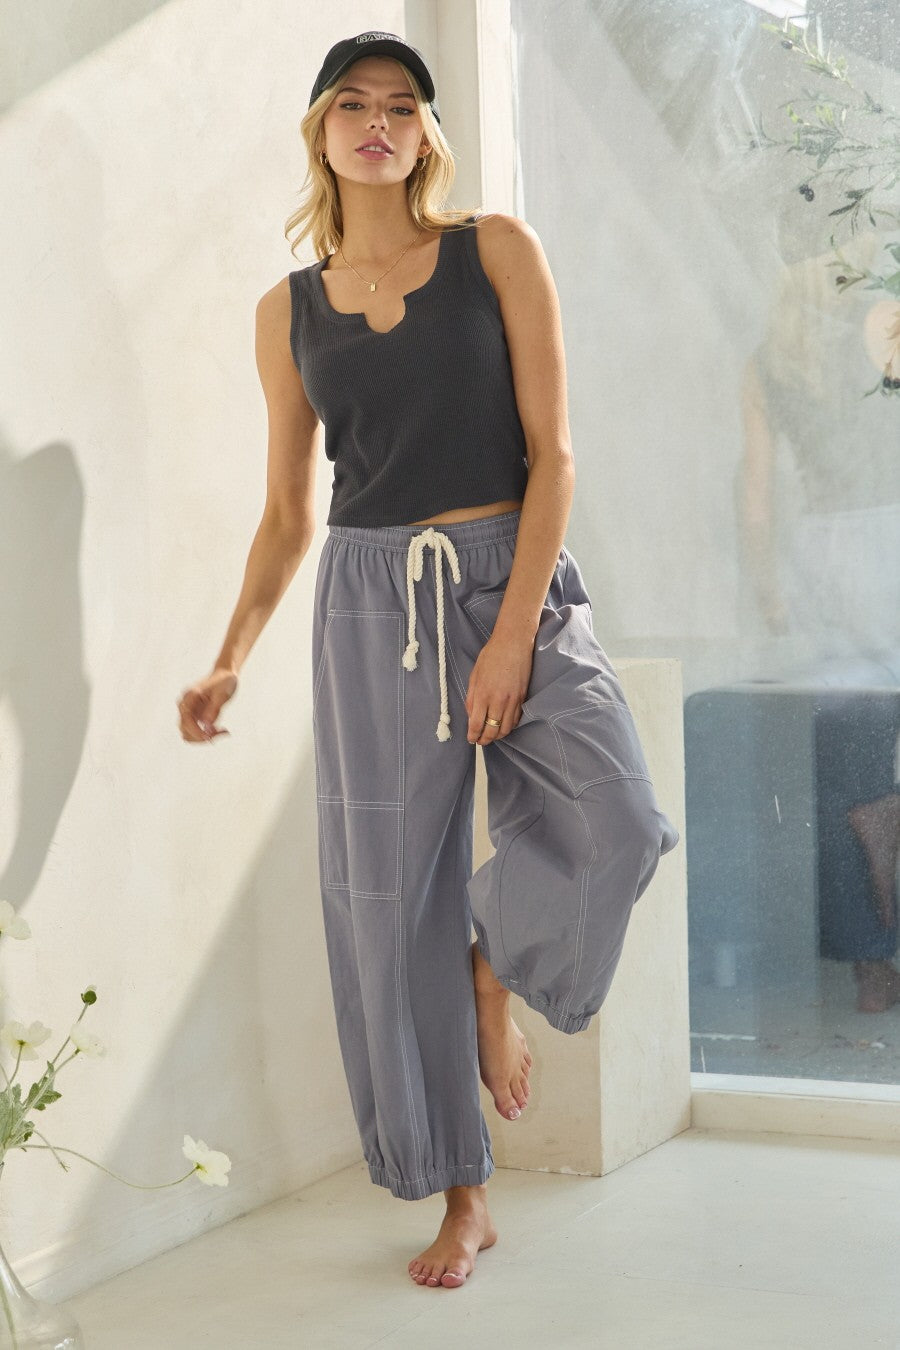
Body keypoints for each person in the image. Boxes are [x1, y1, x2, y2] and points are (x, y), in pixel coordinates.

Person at [176, 31, 679, 1290]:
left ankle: (487, 968)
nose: (378, 124)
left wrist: (511, 635)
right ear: (320, 131)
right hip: (366, 605)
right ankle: (465, 1199)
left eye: (401, 106)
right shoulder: (287, 312)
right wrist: (229, 658)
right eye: (353, 105)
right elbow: (288, 513)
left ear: (426, 134)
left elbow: (555, 456)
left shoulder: (495, 251)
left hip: (510, 576)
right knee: (387, 901)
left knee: (618, 817)